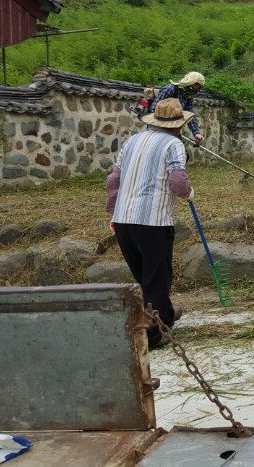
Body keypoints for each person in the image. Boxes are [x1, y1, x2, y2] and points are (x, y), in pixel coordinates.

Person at [106, 98, 194, 349]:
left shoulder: (132, 141)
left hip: (123, 221)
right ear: (178, 125)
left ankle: (165, 314)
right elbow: (177, 180)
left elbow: (113, 179)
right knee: (157, 276)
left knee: (145, 275)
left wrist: (114, 210)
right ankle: (153, 336)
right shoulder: (173, 144)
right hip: (152, 221)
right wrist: (188, 193)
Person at [138, 71, 206, 145]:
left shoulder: (188, 95)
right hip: (158, 127)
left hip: (174, 128)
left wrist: (196, 133)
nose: (198, 89)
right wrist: (166, 126)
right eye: (197, 85)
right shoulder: (170, 88)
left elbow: (189, 114)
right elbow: (154, 108)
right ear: (191, 82)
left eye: (200, 87)